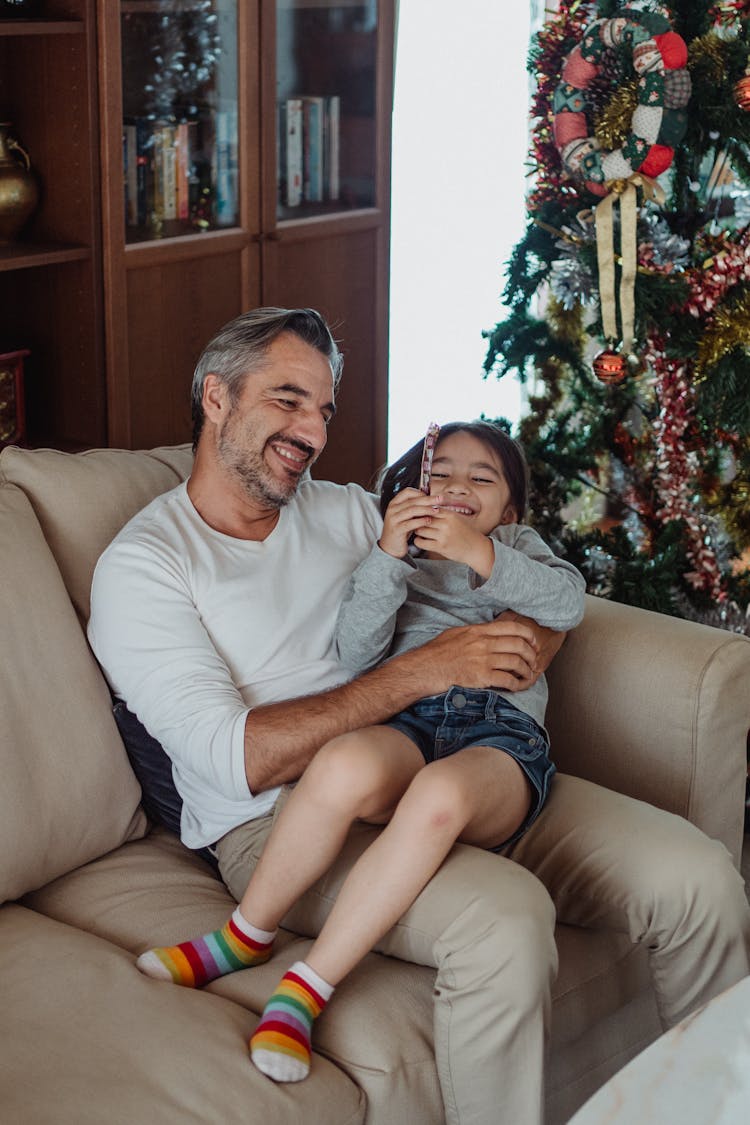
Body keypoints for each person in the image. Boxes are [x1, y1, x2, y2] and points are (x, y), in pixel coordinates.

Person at [88, 307, 750, 1125]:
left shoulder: (346, 511)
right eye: (288, 399)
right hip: (289, 817)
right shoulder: (146, 568)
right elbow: (238, 761)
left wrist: (529, 641)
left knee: (701, 881)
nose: (313, 432)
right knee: (505, 926)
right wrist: (427, 670)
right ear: (216, 397)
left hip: (469, 752)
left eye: (325, 410)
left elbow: (489, 564)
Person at [135, 419, 587, 1082]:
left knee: (438, 796)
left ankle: (307, 986)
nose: (459, 485)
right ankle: (244, 935)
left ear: (510, 509)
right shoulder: (398, 559)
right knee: (341, 762)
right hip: (408, 722)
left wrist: (478, 551)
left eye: (481, 478)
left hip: (497, 737)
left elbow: (567, 601)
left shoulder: (517, 546)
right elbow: (357, 652)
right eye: (443, 474)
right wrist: (387, 554)